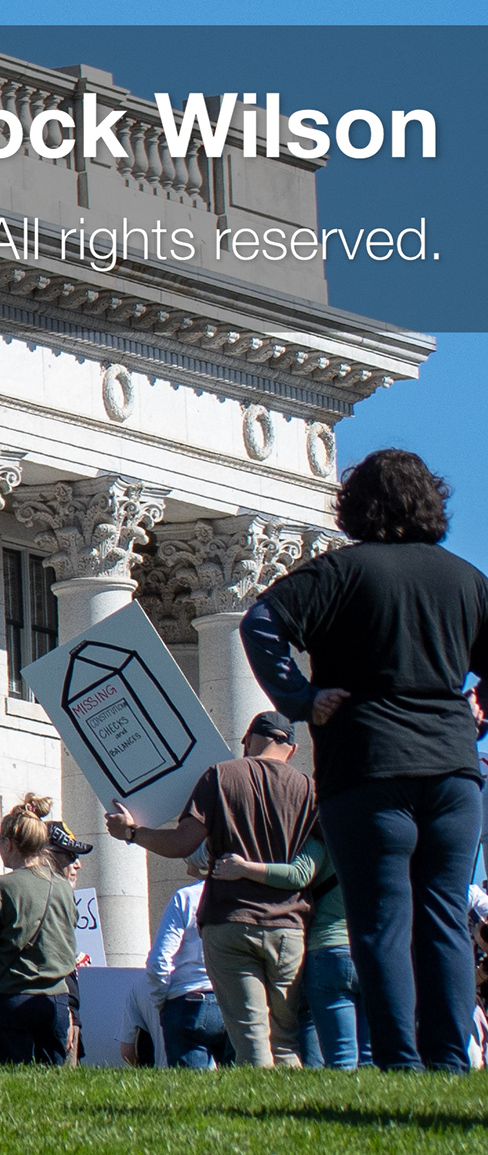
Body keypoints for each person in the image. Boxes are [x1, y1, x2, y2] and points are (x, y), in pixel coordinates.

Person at [239, 448, 486, 1072]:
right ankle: (452, 1062)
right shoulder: (465, 579)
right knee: (445, 918)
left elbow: (261, 620)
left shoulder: (341, 572)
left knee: (380, 922)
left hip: (369, 763)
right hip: (455, 772)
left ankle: (400, 1061)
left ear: (355, 505)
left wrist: (300, 698)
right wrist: (478, 711)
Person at [109, 708, 316, 1068]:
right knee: (286, 1039)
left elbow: (181, 844)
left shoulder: (221, 776)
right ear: (292, 750)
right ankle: (290, 1113)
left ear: (249, 740)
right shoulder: (308, 789)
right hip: (289, 927)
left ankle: (259, 1116)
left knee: (250, 1039)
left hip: (230, 922)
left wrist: (131, 832)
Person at [0, 795, 80, 1065]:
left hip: (8, 999)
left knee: (6, 1090)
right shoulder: (62, 888)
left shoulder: (0, 889)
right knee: (53, 1089)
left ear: (10, 843)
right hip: (56, 1001)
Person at [149, 856, 222, 1068]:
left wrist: (162, 1000)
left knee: (191, 1095)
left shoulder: (185, 897)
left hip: (186, 1001)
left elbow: (159, 959)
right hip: (231, 1000)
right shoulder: (241, 896)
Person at [296, 863, 359, 1069]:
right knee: (370, 1057)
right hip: (368, 952)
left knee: (341, 1057)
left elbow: (296, 876)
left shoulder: (319, 846)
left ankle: (339, 1099)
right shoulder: (375, 846)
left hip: (327, 949)